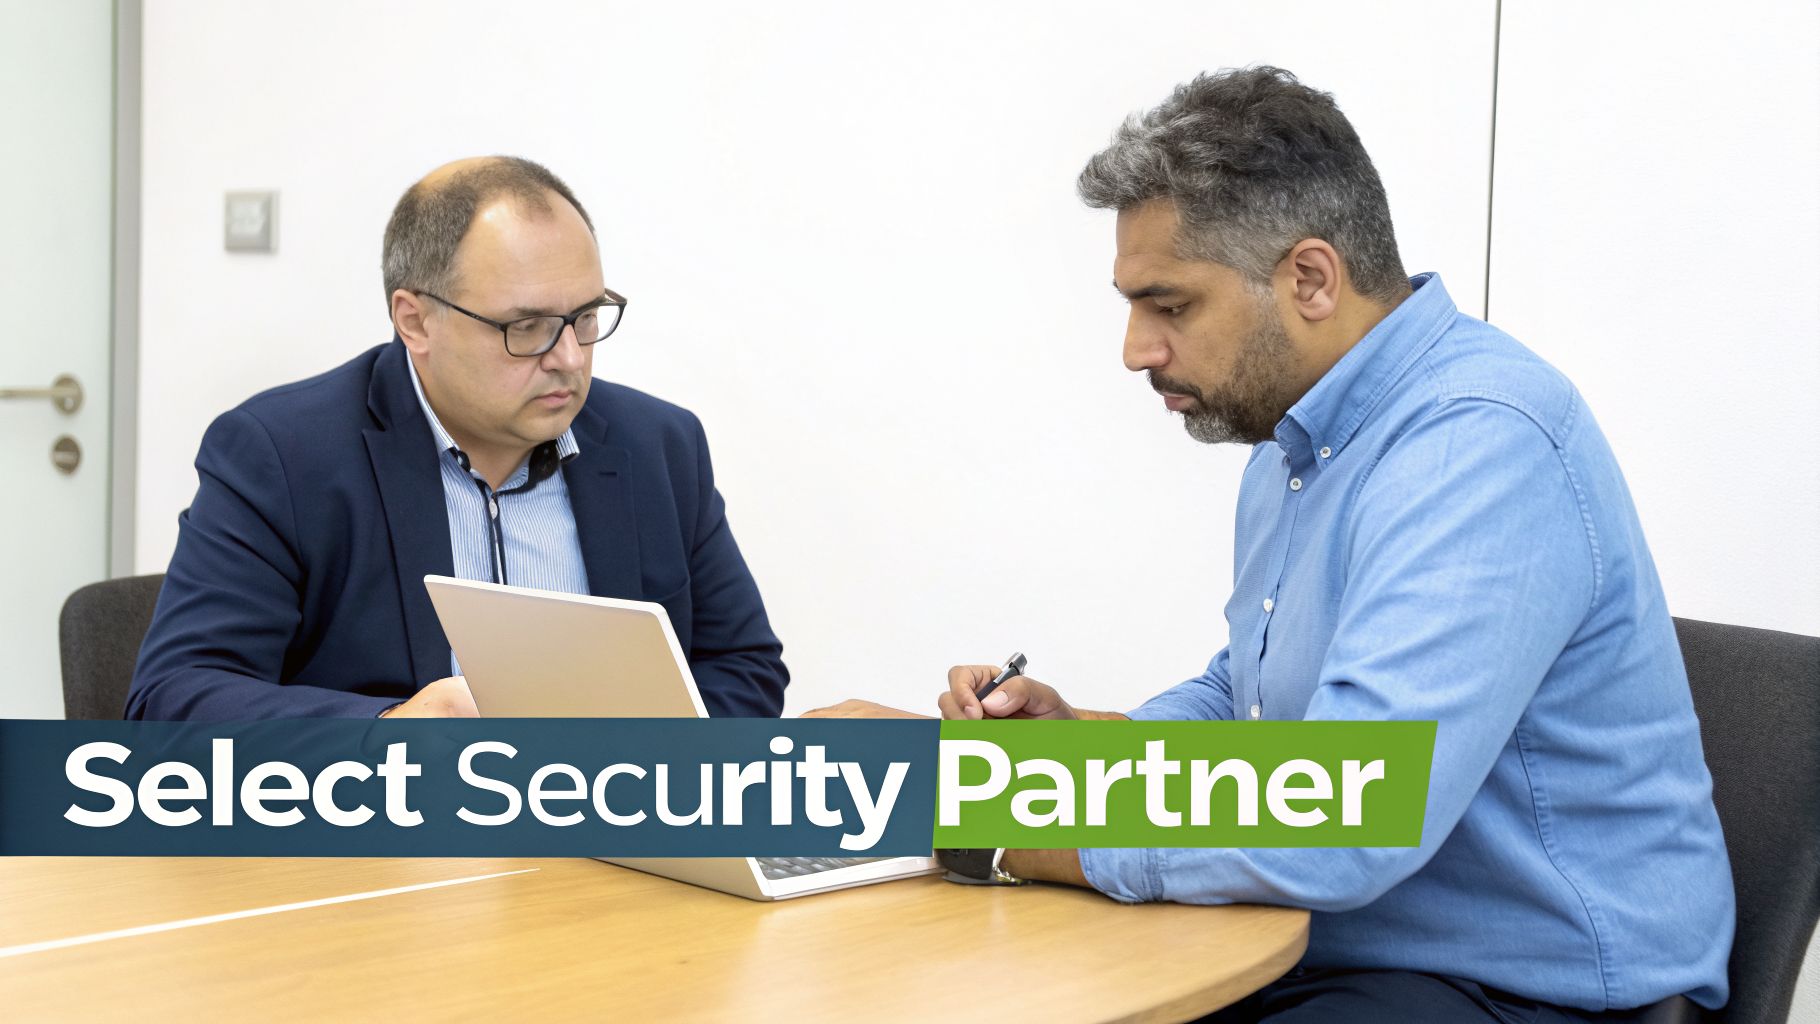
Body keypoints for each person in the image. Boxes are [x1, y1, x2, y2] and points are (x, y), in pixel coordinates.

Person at [808, 68, 1732, 1019]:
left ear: (1310, 279)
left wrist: (980, 812)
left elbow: (1346, 815)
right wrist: (1083, 758)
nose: (1136, 349)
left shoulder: (1481, 444)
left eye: (1171, 306)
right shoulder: (1298, 446)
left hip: (1537, 991)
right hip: (1338, 949)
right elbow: (1249, 701)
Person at [128, 156, 787, 720]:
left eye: (586, 317)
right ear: (415, 321)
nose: (569, 358)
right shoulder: (282, 455)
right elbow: (175, 697)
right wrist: (390, 730)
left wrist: (638, 764)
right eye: (526, 327)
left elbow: (742, 666)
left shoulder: (659, 446)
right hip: (384, 821)